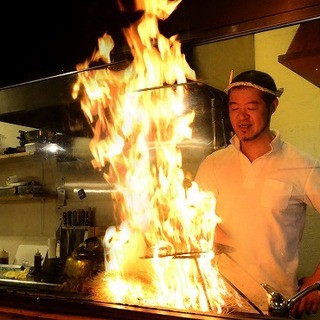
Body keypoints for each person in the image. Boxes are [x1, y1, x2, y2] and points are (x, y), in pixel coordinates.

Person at [195, 70, 320, 318]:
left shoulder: (301, 165)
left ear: (273, 106)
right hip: (219, 302)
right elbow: (191, 220)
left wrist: (317, 281)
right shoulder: (213, 164)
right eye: (234, 108)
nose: (241, 117)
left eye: (251, 107)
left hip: (275, 307)